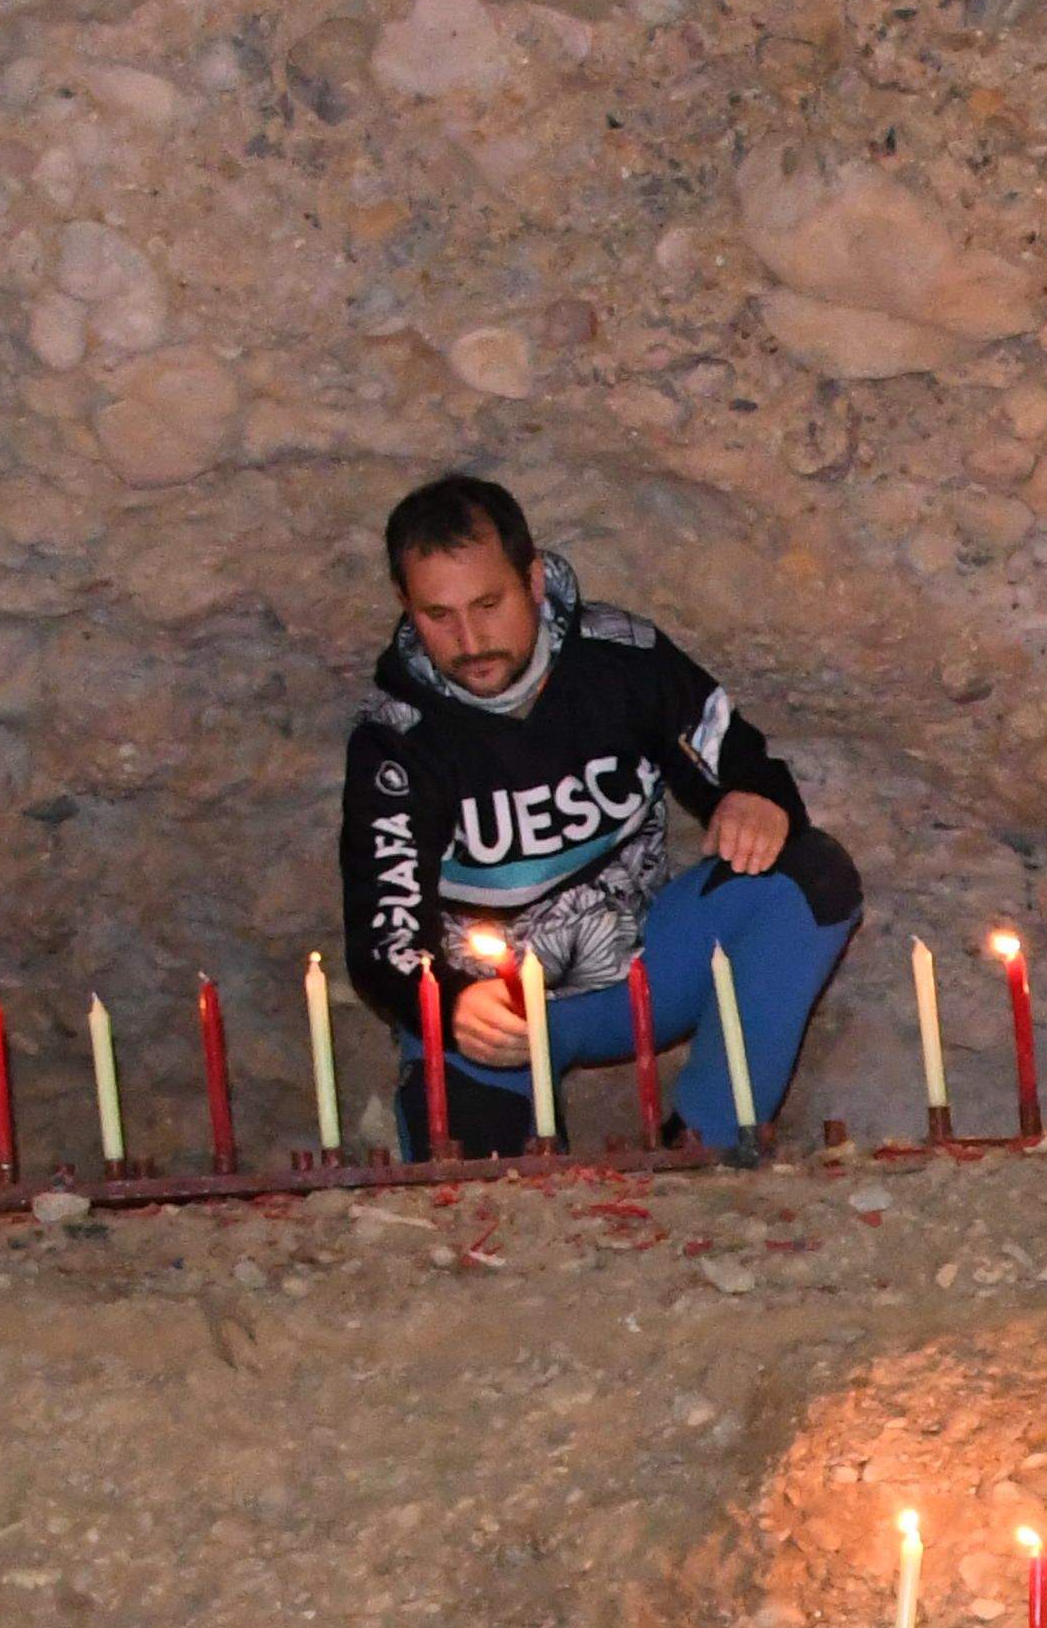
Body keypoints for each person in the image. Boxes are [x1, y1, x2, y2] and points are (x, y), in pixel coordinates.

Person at [340, 473, 862, 1161]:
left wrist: (753, 799)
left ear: (532, 580)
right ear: (407, 609)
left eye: (489, 603)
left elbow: (739, 762)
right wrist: (451, 1005)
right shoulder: (395, 741)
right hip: (495, 1015)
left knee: (811, 877)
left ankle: (704, 1143)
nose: (470, 640)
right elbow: (382, 933)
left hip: (643, 968)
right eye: (439, 616)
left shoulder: (622, 659)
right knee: (477, 1207)